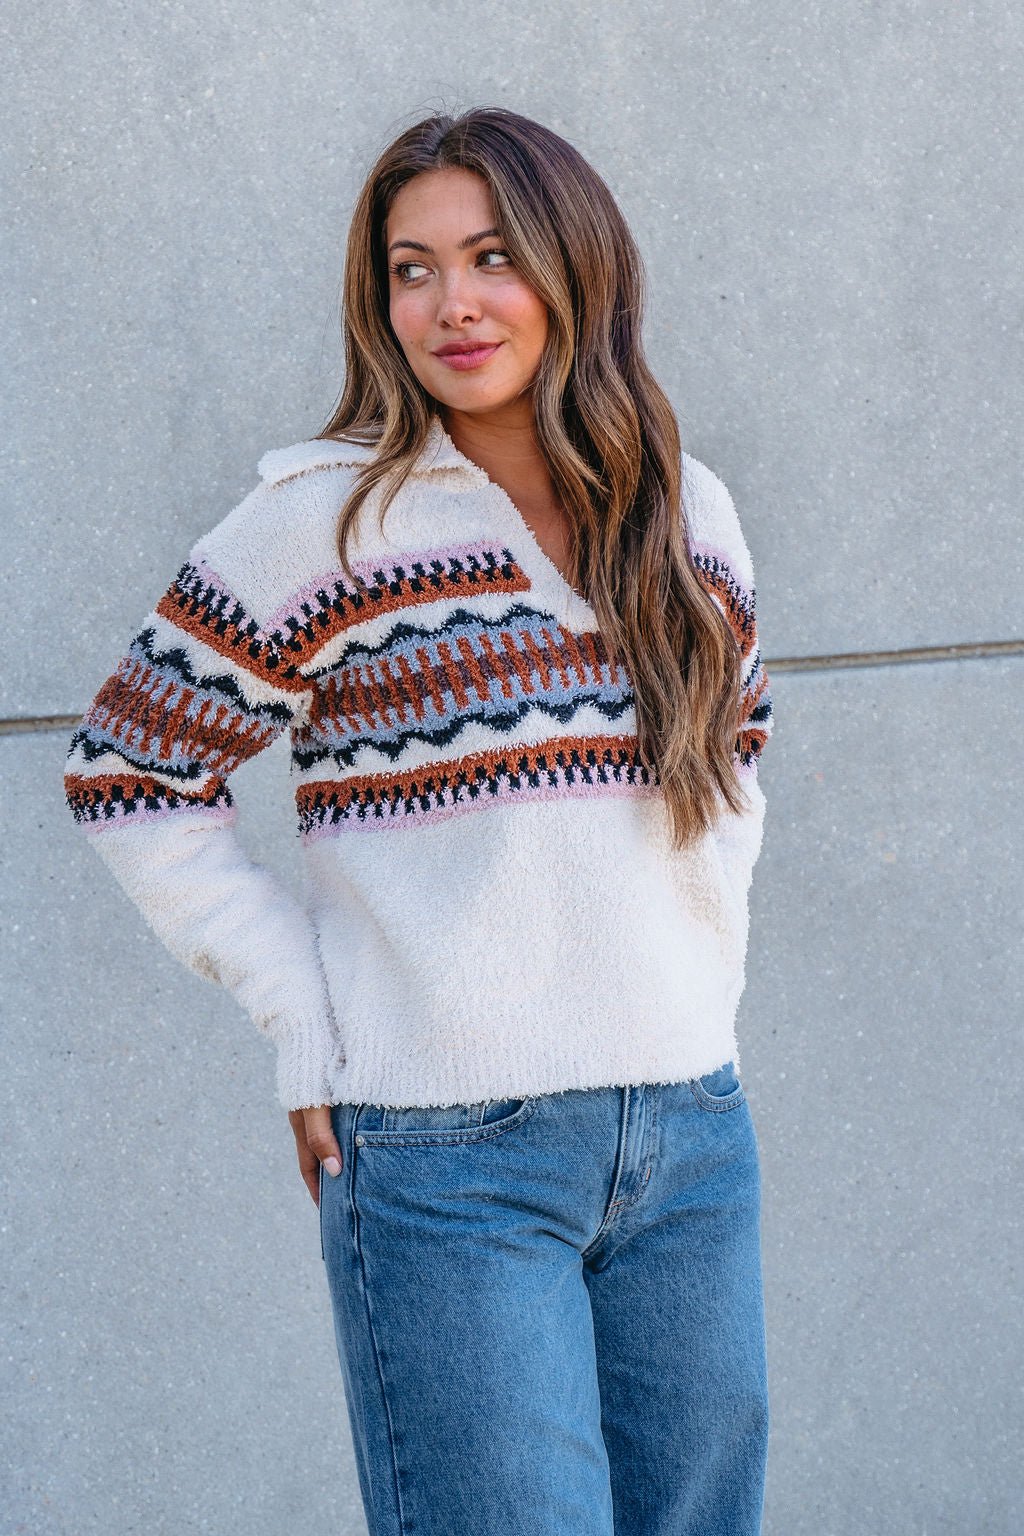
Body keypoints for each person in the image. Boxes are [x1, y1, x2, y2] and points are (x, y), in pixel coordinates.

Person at [64, 105, 775, 1536]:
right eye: (412, 268)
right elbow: (130, 773)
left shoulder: (687, 513)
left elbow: (736, 765)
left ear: (578, 268)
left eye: (493, 256)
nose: (452, 302)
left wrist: (689, 1000)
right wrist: (305, 1013)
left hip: (692, 1135)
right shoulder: (325, 524)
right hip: (447, 1157)